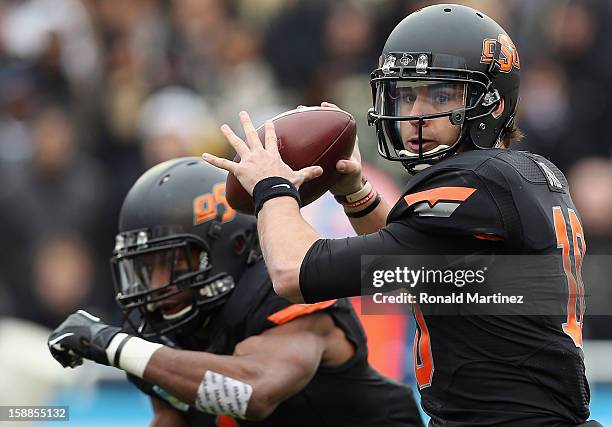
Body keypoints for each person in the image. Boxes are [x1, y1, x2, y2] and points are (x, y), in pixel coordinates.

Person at [200, 4, 601, 426]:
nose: (415, 114)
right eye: (406, 94)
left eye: (440, 94)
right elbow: (410, 270)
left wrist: (271, 185)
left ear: (493, 103)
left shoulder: (473, 180)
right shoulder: (529, 174)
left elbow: (291, 273)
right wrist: (355, 194)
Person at [47, 158, 423, 427]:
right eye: (145, 268)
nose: (156, 283)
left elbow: (253, 393)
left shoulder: (282, 292)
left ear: (233, 246)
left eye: (174, 262)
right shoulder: (163, 325)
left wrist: (115, 347)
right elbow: (171, 415)